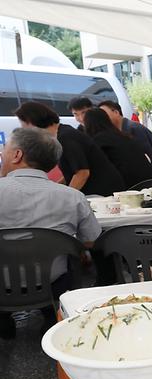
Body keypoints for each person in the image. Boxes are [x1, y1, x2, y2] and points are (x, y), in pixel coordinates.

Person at [0, 127, 101, 338]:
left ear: (17, 155)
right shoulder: (72, 197)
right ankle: (51, 314)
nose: (2, 153)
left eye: (5, 149)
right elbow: (92, 240)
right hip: (52, 283)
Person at [14, 101, 125, 196]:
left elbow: (82, 173)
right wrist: (56, 187)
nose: (23, 128)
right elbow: (72, 172)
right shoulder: (62, 133)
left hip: (103, 193)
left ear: (32, 121)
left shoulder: (66, 137)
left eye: (23, 124)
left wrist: (65, 196)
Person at [83, 107, 152, 189]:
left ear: (87, 123)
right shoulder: (123, 136)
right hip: (147, 181)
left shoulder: (98, 141)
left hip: (127, 185)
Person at [98, 100, 152, 179]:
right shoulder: (120, 131)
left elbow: (147, 158)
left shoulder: (133, 129)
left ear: (116, 112)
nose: (102, 118)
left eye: (104, 114)